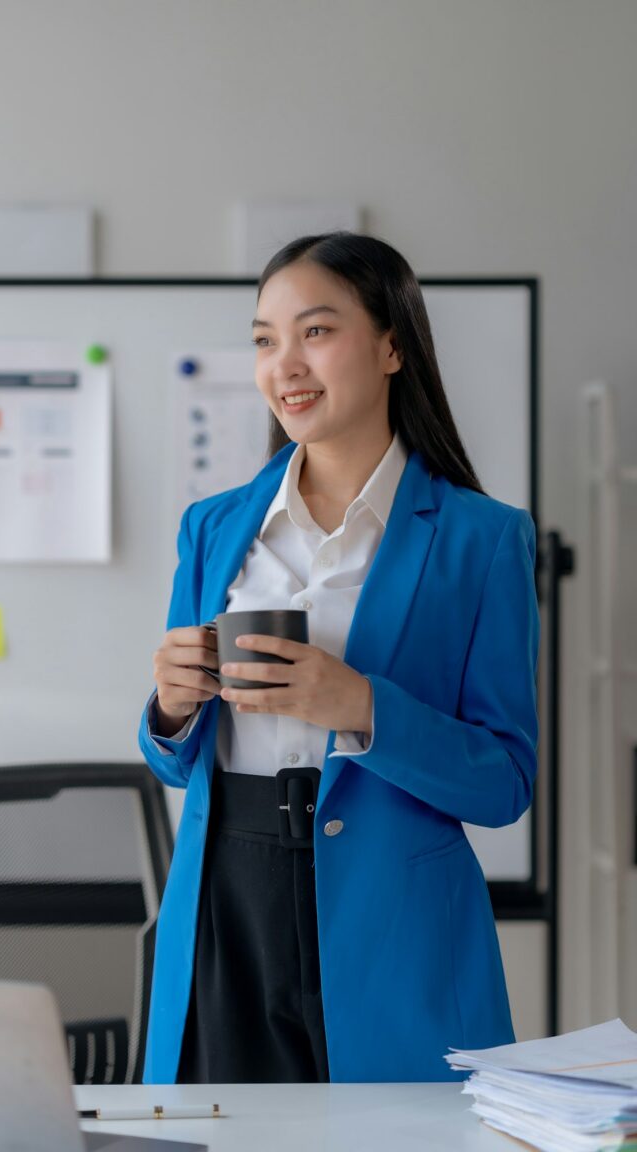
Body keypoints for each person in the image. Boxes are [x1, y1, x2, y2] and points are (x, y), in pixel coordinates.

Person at [138, 231, 539, 1084]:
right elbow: (176, 766)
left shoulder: (481, 539)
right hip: (226, 903)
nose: (286, 364)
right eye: (264, 339)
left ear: (393, 345)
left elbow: (505, 783)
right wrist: (169, 710)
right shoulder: (213, 528)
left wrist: (362, 707)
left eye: (315, 332)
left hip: (393, 918)